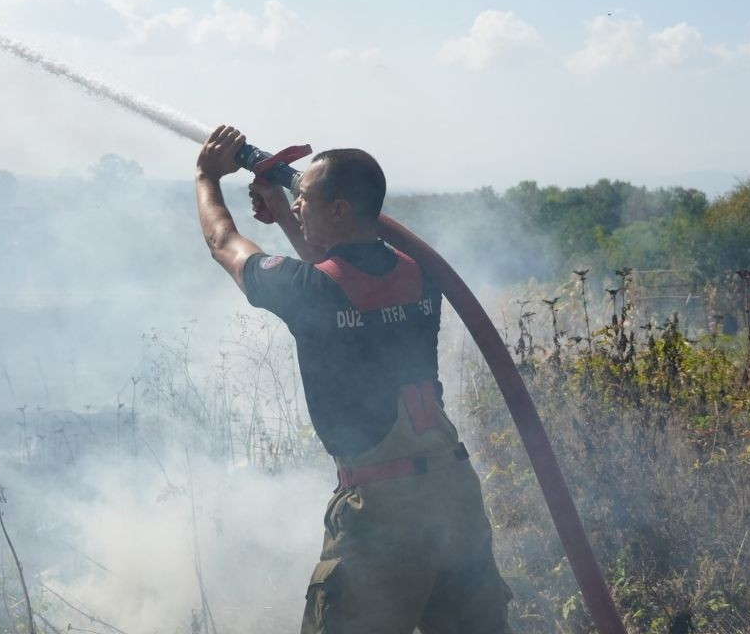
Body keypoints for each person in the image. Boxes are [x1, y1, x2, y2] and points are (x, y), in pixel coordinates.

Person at [195, 125, 512, 633]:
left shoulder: (312, 288)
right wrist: (282, 207)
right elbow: (339, 278)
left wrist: (207, 176)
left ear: (339, 209)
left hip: (382, 513)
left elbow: (223, 241)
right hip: (454, 496)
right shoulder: (417, 273)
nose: (296, 207)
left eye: (304, 199)